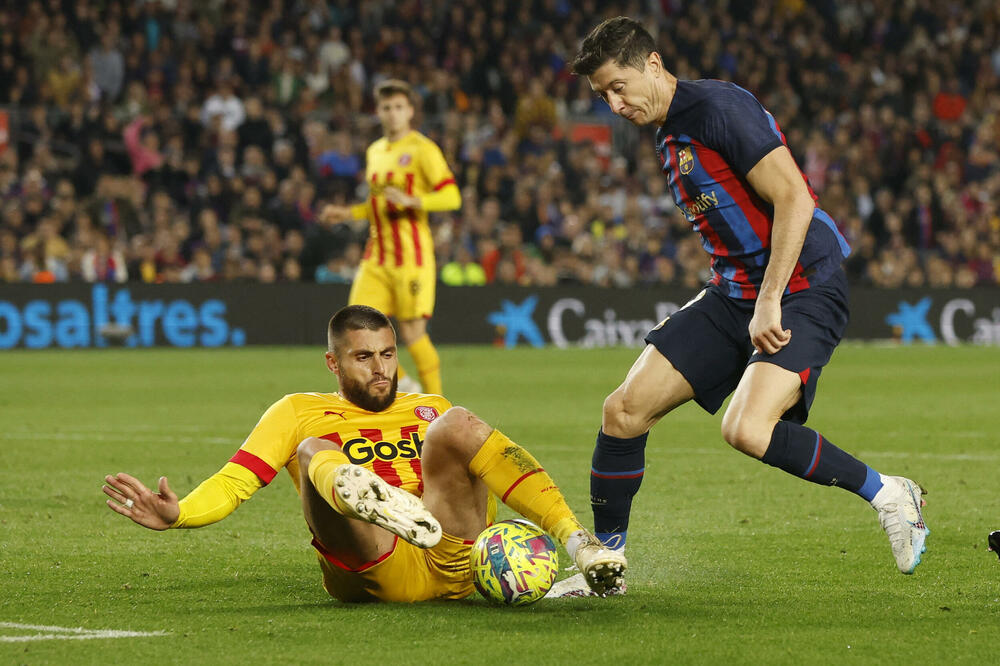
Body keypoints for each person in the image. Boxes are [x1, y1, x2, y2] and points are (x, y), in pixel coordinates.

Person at [548, 17, 928, 597]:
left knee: (748, 428)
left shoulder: (718, 109)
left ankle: (888, 492)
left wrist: (769, 298)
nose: (614, 103)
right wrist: (748, 295)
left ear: (653, 63)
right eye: (603, 95)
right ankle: (608, 566)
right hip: (734, 293)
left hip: (801, 285)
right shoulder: (667, 131)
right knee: (623, 412)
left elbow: (795, 198)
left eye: (619, 86)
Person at [103, 305, 626, 602]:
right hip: (373, 562)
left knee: (457, 422)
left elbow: (474, 476)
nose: (380, 369)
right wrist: (180, 514)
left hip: (453, 554)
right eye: (362, 358)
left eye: (387, 354)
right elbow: (235, 480)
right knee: (313, 451)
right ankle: (375, 503)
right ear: (332, 362)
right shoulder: (296, 410)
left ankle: (579, 544)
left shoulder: (427, 405)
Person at [321, 80, 460, 396]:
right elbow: (378, 203)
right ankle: (406, 385)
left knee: (412, 333)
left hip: (411, 257)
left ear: (410, 111)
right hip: (376, 256)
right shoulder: (375, 151)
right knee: (355, 327)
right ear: (378, 112)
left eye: (399, 107)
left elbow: (452, 197)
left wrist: (415, 201)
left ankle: (440, 405)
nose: (393, 114)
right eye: (387, 108)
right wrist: (348, 214)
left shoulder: (423, 149)